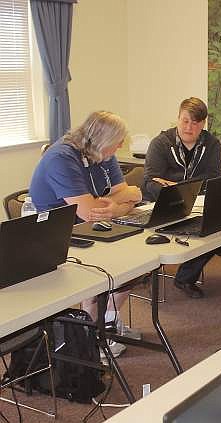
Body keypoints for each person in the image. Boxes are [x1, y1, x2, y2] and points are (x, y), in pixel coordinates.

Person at [30, 111, 143, 357]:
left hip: (90, 227)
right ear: (102, 140)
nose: (121, 146)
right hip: (57, 235)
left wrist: (115, 206)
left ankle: (107, 322)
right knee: (103, 271)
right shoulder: (61, 158)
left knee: (141, 260)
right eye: (118, 141)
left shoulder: (102, 152)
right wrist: (120, 203)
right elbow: (90, 212)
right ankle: (90, 342)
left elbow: (132, 194)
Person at [143, 97, 221, 298]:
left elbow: (214, 177)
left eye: (196, 123)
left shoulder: (211, 144)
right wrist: (176, 192)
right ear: (178, 118)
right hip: (160, 205)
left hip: (196, 203)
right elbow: (149, 183)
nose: (189, 127)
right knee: (208, 232)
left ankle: (185, 278)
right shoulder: (161, 144)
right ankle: (144, 273)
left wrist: (182, 188)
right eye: (185, 121)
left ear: (203, 124)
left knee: (219, 228)